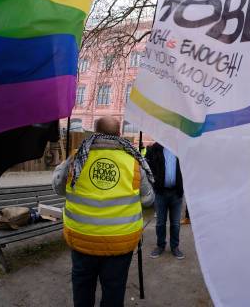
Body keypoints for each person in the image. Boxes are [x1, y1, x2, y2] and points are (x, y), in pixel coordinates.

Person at [53, 116, 154, 307]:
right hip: (120, 241)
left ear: (94, 133)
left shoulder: (77, 158)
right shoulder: (133, 162)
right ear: (119, 134)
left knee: (82, 288)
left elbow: (58, 188)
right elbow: (148, 200)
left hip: (82, 237)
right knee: (114, 290)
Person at [145, 142, 185, 259]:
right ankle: (160, 246)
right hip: (160, 193)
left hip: (176, 193)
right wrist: (154, 181)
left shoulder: (180, 149)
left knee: (176, 223)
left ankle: (175, 247)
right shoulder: (155, 149)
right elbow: (148, 166)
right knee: (160, 223)